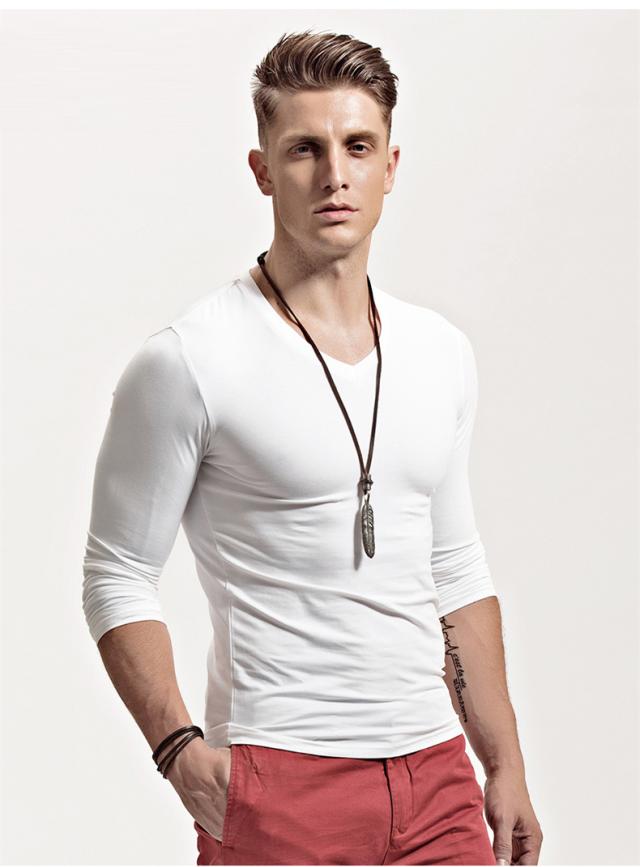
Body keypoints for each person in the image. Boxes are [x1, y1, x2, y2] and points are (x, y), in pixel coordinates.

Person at [82, 28, 543, 866]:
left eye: (357, 146)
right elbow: (117, 572)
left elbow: (455, 567)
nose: (335, 174)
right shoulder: (190, 359)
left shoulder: (440, 352)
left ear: (390, 167)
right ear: (263, 170)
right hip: (281, 775)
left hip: (436, 775)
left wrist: (503, 762)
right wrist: (179, 751)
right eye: (305, 149)